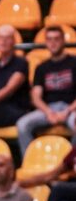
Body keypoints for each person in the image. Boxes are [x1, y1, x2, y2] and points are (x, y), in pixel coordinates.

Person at [17, 25, 76, 155]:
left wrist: (67, 111)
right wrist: (48, 112)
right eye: (49, 39)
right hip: (49, 109)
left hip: (71, 108)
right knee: (22, 124)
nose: (53, 43)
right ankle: (30, 162)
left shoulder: (74, 63)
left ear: (63, 41)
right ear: (46, 42)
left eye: (56, 39)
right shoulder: (41, 68)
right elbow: (36, 97)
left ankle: (72, 163)